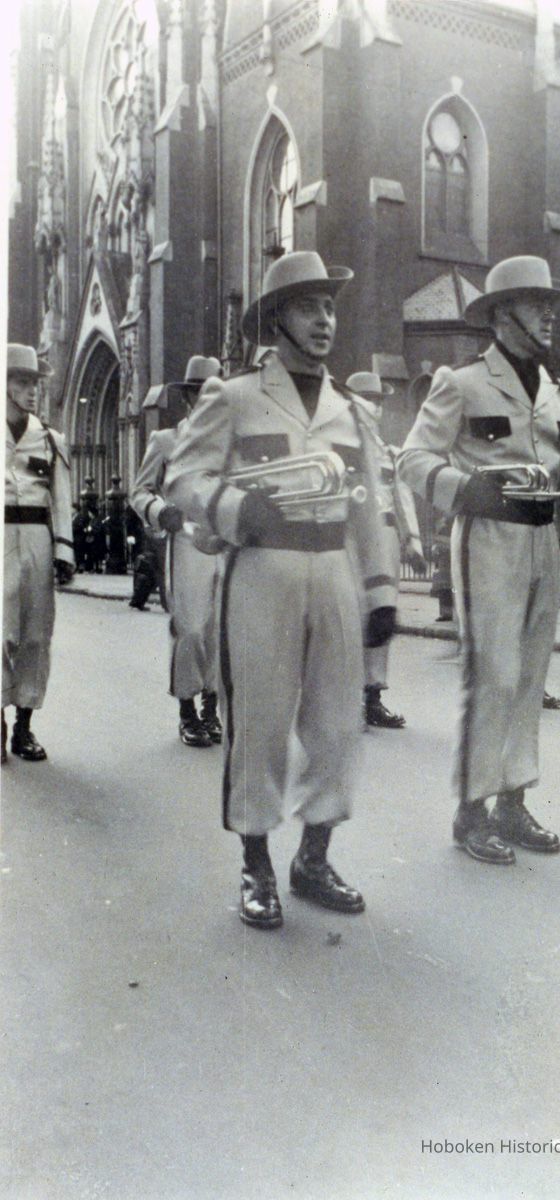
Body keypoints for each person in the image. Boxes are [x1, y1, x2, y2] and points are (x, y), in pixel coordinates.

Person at [164, 250, 396, 929]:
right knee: (259, 724)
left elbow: (370, 507)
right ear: (276, 321)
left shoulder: (351, 412)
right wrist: (237, 511)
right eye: (307, 307)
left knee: (336, 728)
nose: (324, 319)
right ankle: (256, 864)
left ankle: (313, 859)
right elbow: (182, 481)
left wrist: (380, 592)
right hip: (260, 572)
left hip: (333, 574)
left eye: (328, 307)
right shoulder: (233, 396)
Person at [398, 255, 560, 865]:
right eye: (537, 303)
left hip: (542, 542)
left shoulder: (559, 393)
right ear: (502, 313)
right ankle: (471, 812)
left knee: (530, 677)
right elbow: (411, 459)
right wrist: (464, 489)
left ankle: (513, 802)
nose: (549, 314)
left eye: (552, 305)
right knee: (494, 675)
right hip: (487, 535)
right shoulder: (460, 383)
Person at [129, 356, 224, 748]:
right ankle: (186, 711)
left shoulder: (230, 446)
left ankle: (211, 710)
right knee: (189, 627)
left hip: (225, 543)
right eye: (201, 395)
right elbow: (139, 491)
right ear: (188, 399)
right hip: (185, 542)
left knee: (221, 629)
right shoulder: (166, 442)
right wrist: (159, 511)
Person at [3, 344, 75, 763]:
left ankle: (24, 727)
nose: (31, 391)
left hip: (36, 538)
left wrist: (64, 551)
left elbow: (60, 499)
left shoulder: (50, 440)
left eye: (33, 383)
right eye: (21, 382)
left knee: (35, 634)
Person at [346, 370, 426, 729]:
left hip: (388, 537)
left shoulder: (387, 451)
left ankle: (372, 696)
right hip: (356, 537)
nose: (375, 407)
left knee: (381, 612)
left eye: (379, 401)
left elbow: (402, 496)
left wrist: (415, 542)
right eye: (369, 400)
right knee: (350, 614)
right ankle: (346, 697)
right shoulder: (344, 444)